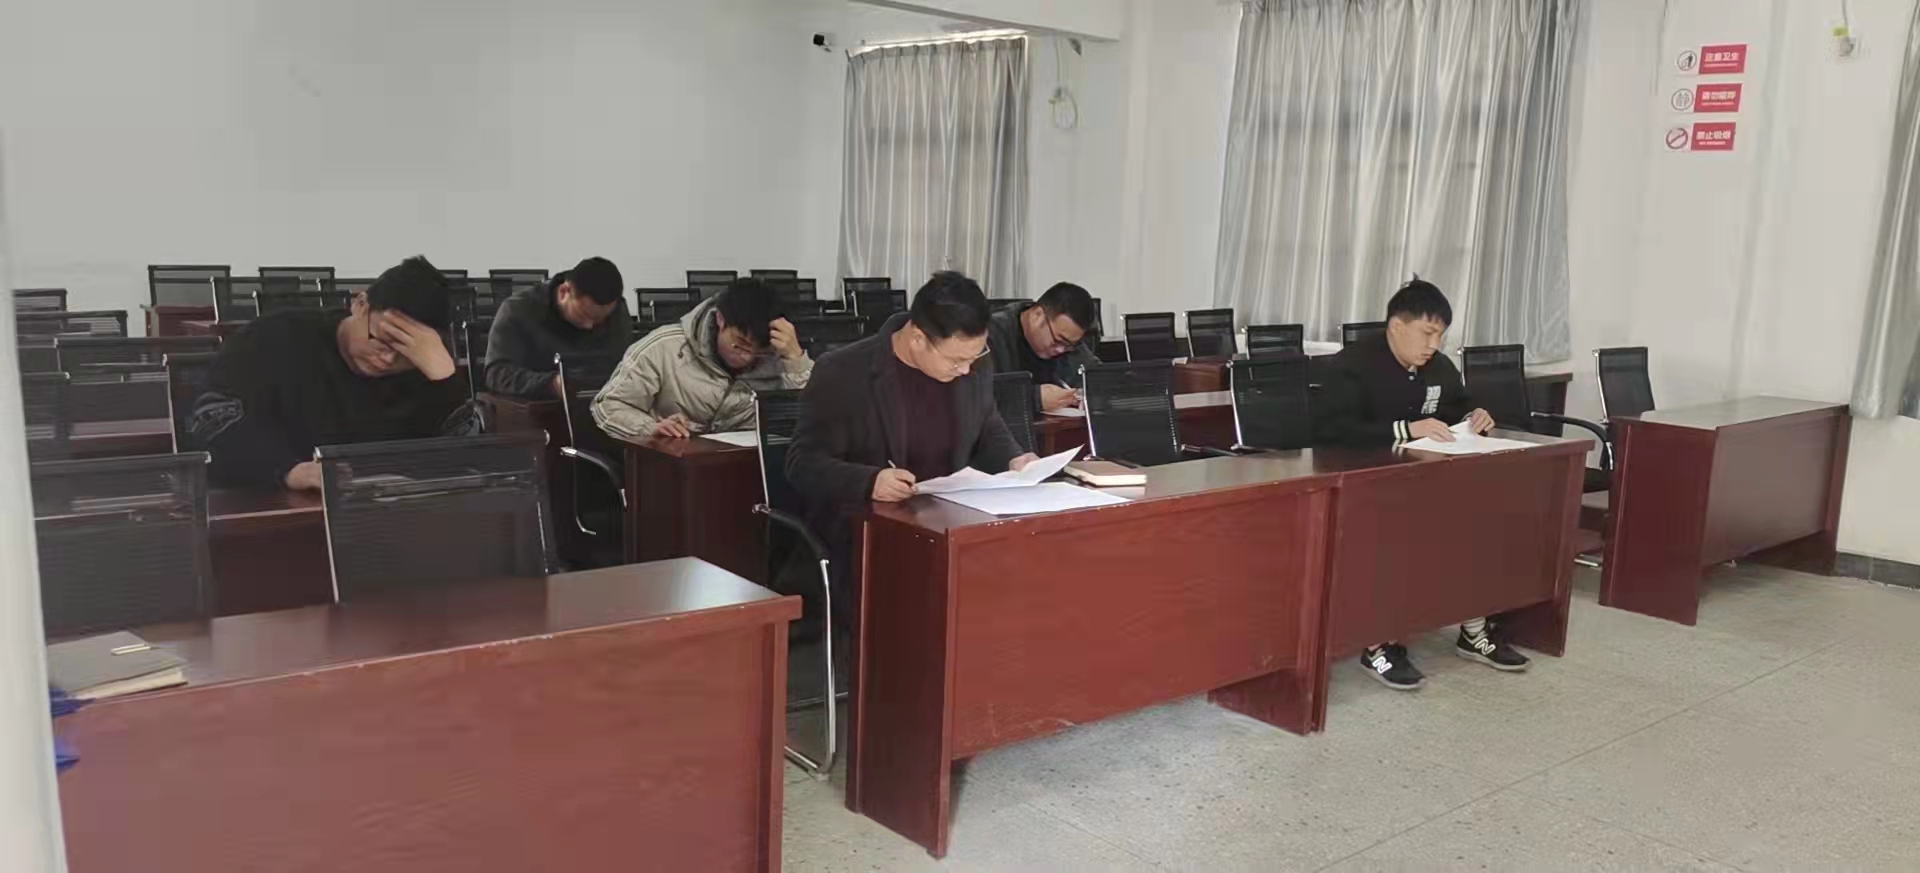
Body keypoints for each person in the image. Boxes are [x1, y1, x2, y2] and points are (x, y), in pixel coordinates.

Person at [1313, 278, 1529, 689]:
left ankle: (1474, 630)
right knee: (1395, 543)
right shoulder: (1352, 366)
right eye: (1427, 333)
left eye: (1440, 335)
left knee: (1481, 527)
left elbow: (1460, 404)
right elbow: (1331, 429)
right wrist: (1405, 428)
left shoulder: (1437, 366)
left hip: (1422, 480)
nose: (1434, 344)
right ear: (1397, 326)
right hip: (1361, 486)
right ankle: (1378, 645)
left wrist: (1476, 415)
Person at [786, 271, 1040, 619]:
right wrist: (869, 481)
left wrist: (1015, 459)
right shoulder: (843, 372)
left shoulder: (974, 364)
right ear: (918, 338)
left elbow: (987, 424)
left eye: (974, 357)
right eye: (955, 361)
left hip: (949, 527)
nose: (966, 370)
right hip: (870, 537)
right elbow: (801, 463)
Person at [191, 255, 479, 491]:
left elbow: (470, 462)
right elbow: (212, 420)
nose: (388, 358)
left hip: (389, 513)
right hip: (277, 502)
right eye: (380, 340)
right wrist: (288, 471)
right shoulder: (276, 337)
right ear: (360, 304)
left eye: (406, 352)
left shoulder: (425, 367)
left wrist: (445, 378)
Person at [592, 277, 811, 440]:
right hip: (672, 466)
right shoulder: (664, 348)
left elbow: (815, 422)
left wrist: (796, 360)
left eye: (758, 351)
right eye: (740, 344)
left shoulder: (778, 356)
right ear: (720, 320)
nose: (747, 356)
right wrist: (650, 428)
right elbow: (608, 406)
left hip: (744, 467)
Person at [483, 256, 632, 399]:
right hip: (542, 406)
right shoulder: (518, 310)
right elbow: (496, 374)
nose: (589, 326)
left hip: (602, 402)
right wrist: (551, 384)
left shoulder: (617, 310)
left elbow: (624, 362)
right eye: (583, 315)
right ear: (563, 292)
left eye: (599, 320)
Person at [984, 281, 1101, 413]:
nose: (1061, 350)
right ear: (1037, 316)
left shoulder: (1068, 342)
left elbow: (1099, 379)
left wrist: (1086, 394)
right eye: (1057, 341)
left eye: (1068, 345)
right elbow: (978, 397)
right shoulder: (989, 336)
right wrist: (1034, 399)